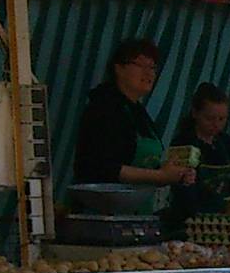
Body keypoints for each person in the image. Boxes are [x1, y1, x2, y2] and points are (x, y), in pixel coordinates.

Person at [70, 37, 195, 188]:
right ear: (119, 68)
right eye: (140, 65)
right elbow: (102, 167)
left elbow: (149, 167)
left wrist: (175, 174)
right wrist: (159, 176)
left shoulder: (140, 114)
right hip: (102, 205)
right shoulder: (103, 108)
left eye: (152, 67)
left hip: (137, 205)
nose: (148, 73)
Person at [164, 83, 230, 234]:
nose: (216, 124)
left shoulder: (228, 144)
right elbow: (182, 190)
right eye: (209, 118)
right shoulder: (184, 143)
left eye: (221, 119)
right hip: (190, 224)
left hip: (224, 223)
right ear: (195, 113)